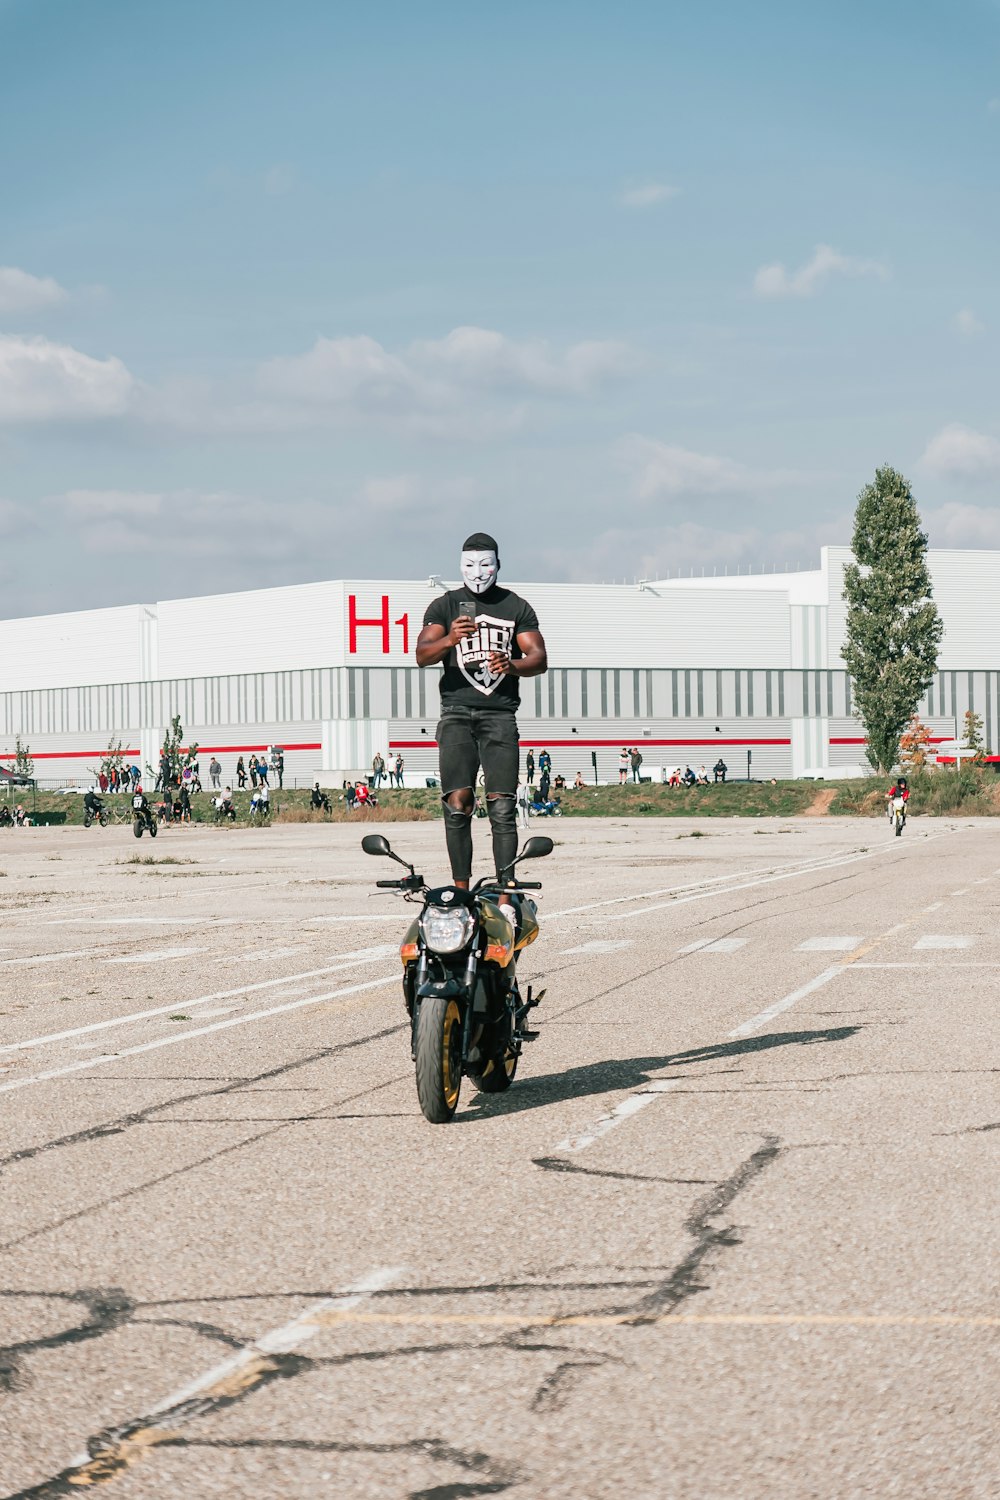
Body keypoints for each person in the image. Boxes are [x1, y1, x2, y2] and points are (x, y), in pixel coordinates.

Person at [415, 531, 547, 919]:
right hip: (455, 712)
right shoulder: (444, 605)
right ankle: (460, 893)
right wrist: (450, 640)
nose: (479, 572)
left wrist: (514, 664)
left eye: (486, 564)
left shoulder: (516, 605)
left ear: (498, 564)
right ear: (460, 566)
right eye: (470, 565)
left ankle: (505, 896)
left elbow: (538, 657)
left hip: (499, 715)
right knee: (458, 804)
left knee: (502, 807)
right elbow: (422, 654)